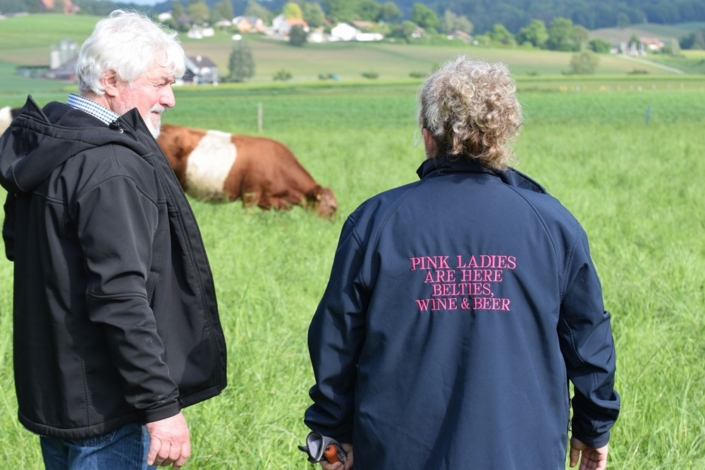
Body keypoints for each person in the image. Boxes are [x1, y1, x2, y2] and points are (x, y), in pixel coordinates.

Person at [303, 57, 620, 470]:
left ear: (428, 134)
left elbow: (335, 343)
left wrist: (331, 435)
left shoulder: (376, 222)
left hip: (395, 455)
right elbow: (589, 340)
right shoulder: (553, 225)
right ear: (503, 133)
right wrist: (594, 429)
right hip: (522, 455)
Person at [0, 11, 227, 469]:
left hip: (56, 394)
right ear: (110, 80)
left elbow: (19, 248)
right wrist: (161, 408)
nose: (171, 99)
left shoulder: (46, 144)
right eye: (161, 83)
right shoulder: (111, 167)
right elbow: (120, 295)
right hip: (109, 406)